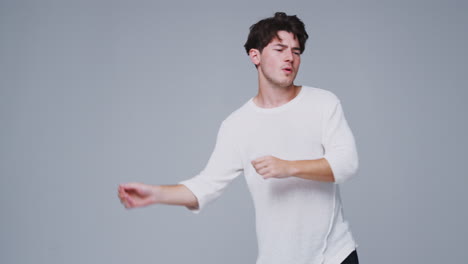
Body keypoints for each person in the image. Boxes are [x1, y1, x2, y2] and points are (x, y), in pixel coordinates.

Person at [118, 12, 359, 264]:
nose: (290, 57)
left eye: (296, 51)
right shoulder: (237, 125)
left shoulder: (322, 102)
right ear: (255, 55)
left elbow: (346, 163)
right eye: (279, 49)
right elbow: (205, 186)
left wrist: (288, 167)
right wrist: (156, 194)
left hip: (334, 256)